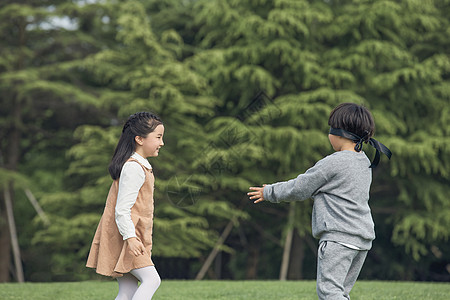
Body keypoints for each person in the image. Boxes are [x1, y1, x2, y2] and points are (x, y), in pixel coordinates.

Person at [248, 103, 391, 300]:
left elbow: (300, 188)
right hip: (361, 239)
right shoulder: (363, 161)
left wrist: (269, 191)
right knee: (340, 293)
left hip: (339, 238)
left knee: (329, 292)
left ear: (339, 134)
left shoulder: (334, 162)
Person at [86, 112, 165, 300]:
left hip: (129, 236)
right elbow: (121, 210)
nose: (162, 143)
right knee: (152, 280)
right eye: (158, 137)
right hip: (128, 237)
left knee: (128, 290)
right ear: (139, 139)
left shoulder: (139, 166)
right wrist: (130, 238)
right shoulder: (134, 168)